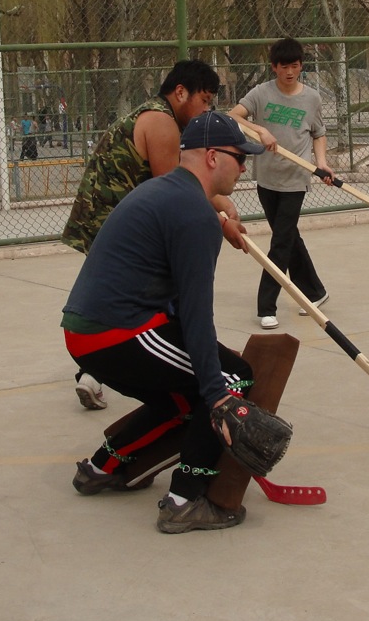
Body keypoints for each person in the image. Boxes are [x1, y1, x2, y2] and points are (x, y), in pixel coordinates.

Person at [62, 111, 265, 533]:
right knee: (232, 379)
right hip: (118, 332)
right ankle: (184, 501)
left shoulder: (166, 191)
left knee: (182, 398)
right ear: (212, 157)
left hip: (88, 333)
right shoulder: (194, 214)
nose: (244, 168)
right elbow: (195, 314)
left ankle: (102, 468)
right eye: (240, 157)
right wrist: (217, 391)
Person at [61, 59, 246, 410]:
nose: (205, 110)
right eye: (204, 100)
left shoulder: (152, 112)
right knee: (152, 296)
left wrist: (221, 204)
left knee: (133, 298)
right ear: (181, 92)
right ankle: (183, 363)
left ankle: (99, 370)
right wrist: (221, 223)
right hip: (114, 216)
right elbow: (179, 190)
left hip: (110, 213)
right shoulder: (162, 123)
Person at [229, 37, 335, 330]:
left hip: (296, 179)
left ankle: (266, 306)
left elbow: (318, 133)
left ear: (301, 66)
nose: (289, 72)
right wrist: (260, 130)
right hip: (266, 178)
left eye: (295, 66)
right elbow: (233, 117)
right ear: (274, 67)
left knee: (279, 243)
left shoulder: (312, 98)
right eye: (284, 66)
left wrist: (322, 162)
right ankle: (315, 291)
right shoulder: (261, 93)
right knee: (288, 237)